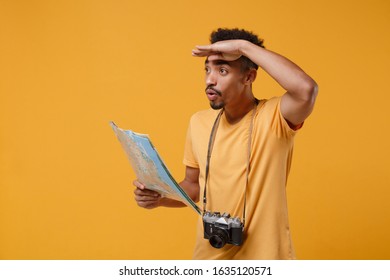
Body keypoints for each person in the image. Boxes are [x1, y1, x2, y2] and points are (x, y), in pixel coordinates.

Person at [133, 28, 318, 259]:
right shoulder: (199, 122)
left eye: (222, 70)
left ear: (249, 77)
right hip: (209, 258)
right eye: (208, 69)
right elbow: (194, 186)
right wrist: (160, 198)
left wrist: (243, 47)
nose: (210, 79)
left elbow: (306, 89)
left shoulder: (275, 117)